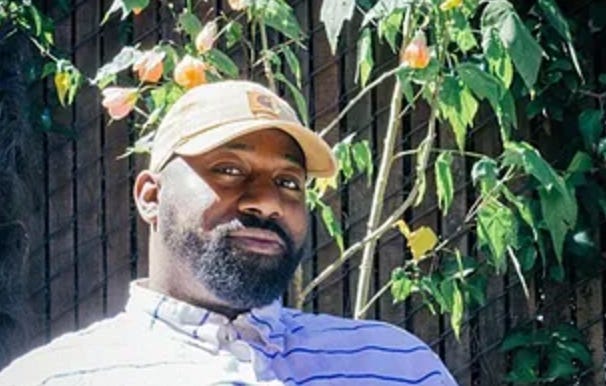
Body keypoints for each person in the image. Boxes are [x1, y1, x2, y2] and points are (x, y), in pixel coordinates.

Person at [0, 80, 458, 385]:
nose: (267, 201)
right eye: (228, 169)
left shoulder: (396, 365)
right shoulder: (57, 377)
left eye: (288, 182)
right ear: (150, 196)